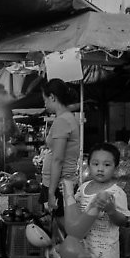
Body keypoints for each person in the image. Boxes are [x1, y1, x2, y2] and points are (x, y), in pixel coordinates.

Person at [39, 78, 80, 234]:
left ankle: (79, 256)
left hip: (58, 184)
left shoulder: (62, 121)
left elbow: (58, 159)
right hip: (59, 182)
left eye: (45, 99)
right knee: (59, 228)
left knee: (67, 229)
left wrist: (51, 193)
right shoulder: (67, 118)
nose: (44, 104)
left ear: (52, 97)